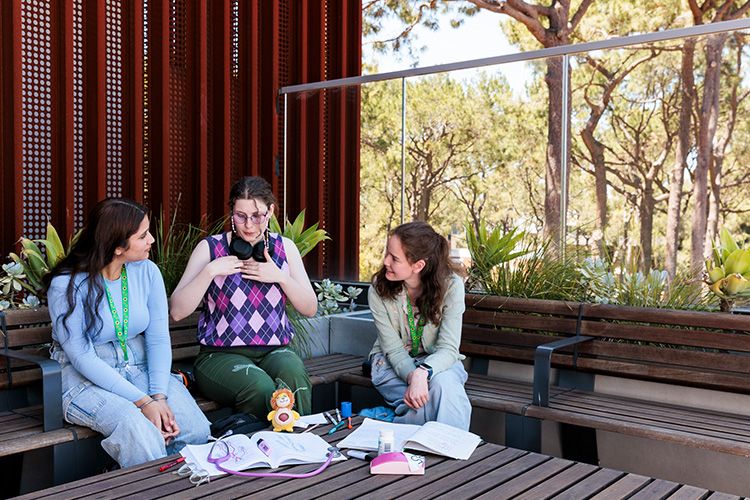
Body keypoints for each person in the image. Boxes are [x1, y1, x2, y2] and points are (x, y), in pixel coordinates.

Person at [44, 198, 210, 468]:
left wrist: (158, 396)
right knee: (141, 432)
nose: (152, 240)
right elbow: (81, 356)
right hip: (83, 380)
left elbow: (157, 337)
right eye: (143, 235)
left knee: (194, 429)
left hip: (139, 369)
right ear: (118, 246)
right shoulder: (67, 285)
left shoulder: (147, 272)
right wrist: (143, 403)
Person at [170, 176, 317, 420]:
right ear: (231, 213)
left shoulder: (286, 248)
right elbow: (176, 311)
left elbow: (310, 308)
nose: (248, 225)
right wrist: (210, 272)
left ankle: (298, 446)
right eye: (240, 215)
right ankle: (255, 450)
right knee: (260, 388)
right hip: (219, 356)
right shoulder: (210, 249)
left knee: (294, 374)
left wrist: (280, 277)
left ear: (270, 211)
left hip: (274, 351)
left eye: (257, 215)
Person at [368, 221, 471, 430]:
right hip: (391, 365)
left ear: (418, 265)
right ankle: (451, 455)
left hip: (438, 363)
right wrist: (413, 376)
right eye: (387, 253)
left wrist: (423, 372)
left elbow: (449, 348)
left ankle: (399, 436)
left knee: (444, 385)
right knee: (433, 397)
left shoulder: (451, 286)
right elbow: (394, 350)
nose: (386, 261)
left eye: (395, 258)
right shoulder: (378, 290)